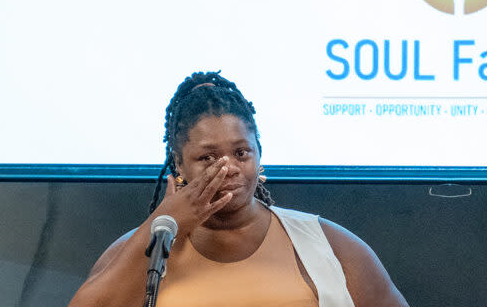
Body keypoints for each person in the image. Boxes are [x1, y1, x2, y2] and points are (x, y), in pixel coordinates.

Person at [69, 71, 409, 307]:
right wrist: (164, 225)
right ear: (179, 164)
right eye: (207, 157)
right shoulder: (144, 249)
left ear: (259, 154)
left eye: (241, 152)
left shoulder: (328, 245)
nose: (227, 167)